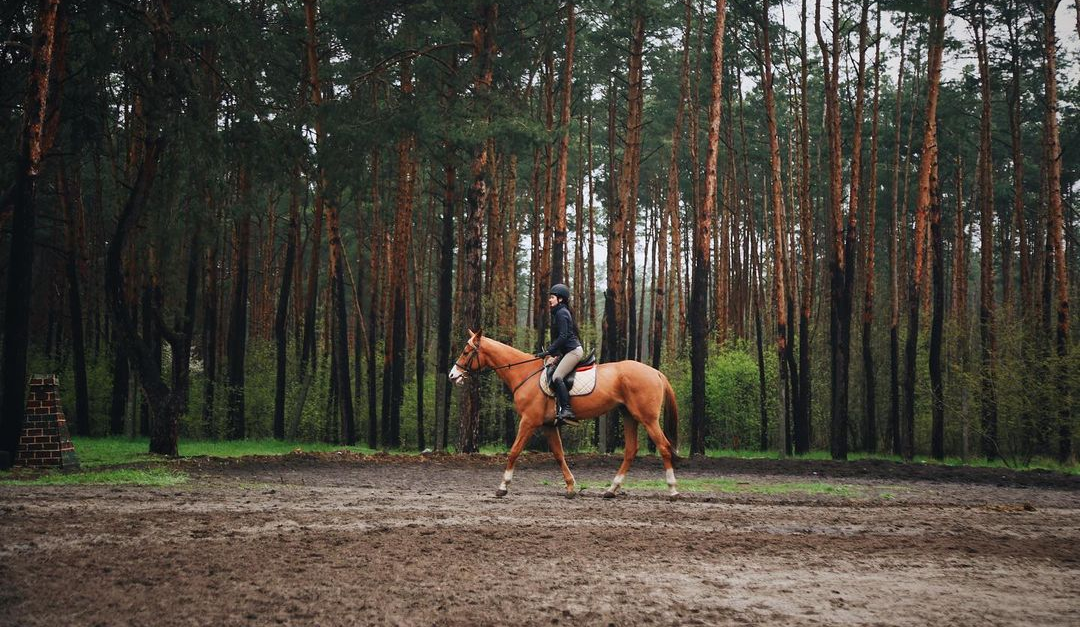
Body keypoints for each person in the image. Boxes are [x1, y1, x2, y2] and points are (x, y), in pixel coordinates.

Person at [535, 283, 584, 427]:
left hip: (573, 352)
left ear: (560, 299)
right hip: (567, 352)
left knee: (557, 376)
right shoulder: (559, 312)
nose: (549, 300)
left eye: (552, 297)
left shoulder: (561, 313)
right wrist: (555, 355)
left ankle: (567, 410)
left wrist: (548, 351)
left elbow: (562, 337)